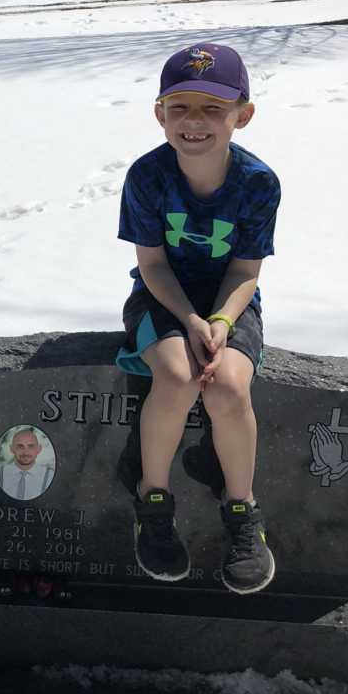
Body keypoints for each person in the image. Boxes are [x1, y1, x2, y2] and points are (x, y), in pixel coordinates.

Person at [116, 43, 280, 594]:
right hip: (163, 298)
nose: (195, 121)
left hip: (230, 301)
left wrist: (222, 322)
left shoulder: (258, 183)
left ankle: (243, 514)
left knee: (229, 386)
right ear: (160, 113)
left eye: (213, 108)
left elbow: (246, 269)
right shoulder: (147, 176)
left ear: (243, 115)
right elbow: (153, 264)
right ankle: (153, 503)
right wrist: (189, 318)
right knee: (179, 376)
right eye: (180, 107)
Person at [0, 427, 56, 500]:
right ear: (12, 449)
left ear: (39, 449)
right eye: (20, 446)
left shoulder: (50, 477)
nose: (25, 452)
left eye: (31, 446)